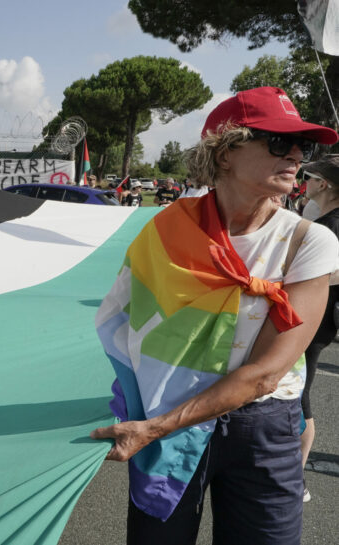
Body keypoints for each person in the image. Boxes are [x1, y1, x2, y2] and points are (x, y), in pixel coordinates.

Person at [92, 86, 339, 544]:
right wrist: (136, 407)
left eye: (304, 145)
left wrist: (154, 428)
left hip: (262, 426)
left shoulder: (310, 241)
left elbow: (265, 374)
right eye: (279, 142)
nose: (296, 155)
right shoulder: (166, 229)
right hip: (168, 407)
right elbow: (124, 322)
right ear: (225, 153)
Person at [299, 156, 339, 502]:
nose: (304, 181)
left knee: (299, 394)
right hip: (321, 318)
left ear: (323, 184)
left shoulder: (328, 227)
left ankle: (296, 479)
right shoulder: (324, 221)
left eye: (308, 176)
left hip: (316, 317)